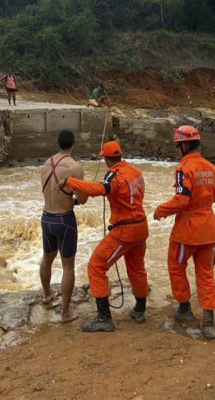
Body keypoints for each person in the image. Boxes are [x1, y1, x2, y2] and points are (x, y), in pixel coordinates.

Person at [63, 140, 149, 332]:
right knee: (136, 268)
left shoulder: (114, 175)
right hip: (141, 226)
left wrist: (70, 181)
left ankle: (104, 318)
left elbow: (100, 190)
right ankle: (140, 309)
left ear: (107, 159)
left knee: (96, 266)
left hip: (125, 230)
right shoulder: (135, 171)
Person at [153, 125, 215, 340]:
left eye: (177, 146)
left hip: (187, 232)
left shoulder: (184, 169)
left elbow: (182, 199)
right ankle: (208, 320)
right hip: (209, 229)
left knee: (176, 267)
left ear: (183, 145)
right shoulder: (211, 168)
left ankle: (184, 308)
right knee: (206, 273)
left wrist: (160, 211)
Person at [39, 130, 87, 323]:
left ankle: (46, 295)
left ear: (57, 143)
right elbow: (82, 199)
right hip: (64, 220)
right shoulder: (75, 167)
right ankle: (65, 313)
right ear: (74, 143)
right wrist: (75, 200)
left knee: (47, 259)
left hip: (46, 217)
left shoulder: (45, 164)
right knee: (68, 267)